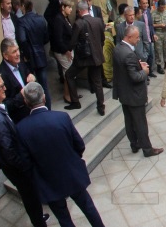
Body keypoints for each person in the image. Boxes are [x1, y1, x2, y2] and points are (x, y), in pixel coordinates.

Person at [16, 83, 105, 227]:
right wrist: (71, 159)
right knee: (88, 206)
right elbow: (79, 145)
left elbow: (26, 163)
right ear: (44, 97)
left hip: (48, 181)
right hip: (71, 173)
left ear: (26, 102)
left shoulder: (21, 129)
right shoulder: (62, 117)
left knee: (64, 218)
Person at [0, 72, 48, 227]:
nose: (5, 88)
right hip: (17, 169)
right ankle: (39, 223)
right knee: (29, 195)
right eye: (1, 86)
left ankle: (38, 217)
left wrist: (23, 92)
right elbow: (9, 152)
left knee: (31, 196)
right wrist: (26, 167)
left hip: (13, 166)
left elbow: (9, 105)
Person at [112, 25, 164, 158]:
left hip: (123, 93)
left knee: (128, 121)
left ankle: (134, 144)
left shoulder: (118, 48)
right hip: (134, 95)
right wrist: (144, 71)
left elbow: (124, 69)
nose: (139, 40)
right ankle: (147, 149)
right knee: (140, 123)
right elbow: (135, 77)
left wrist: (137, 66)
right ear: (128, 37)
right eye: (136, 38)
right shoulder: (129, 53)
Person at [65, 0, 106, 115]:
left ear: (79, 11)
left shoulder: (78, 23)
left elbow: (73, 42)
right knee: (98, 82)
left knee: (69, 75)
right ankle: (101, 106)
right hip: (96, 57)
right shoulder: (98, 21)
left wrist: (69, 50)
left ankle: (75, 101)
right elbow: (102, 39)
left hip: (83, 58)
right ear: (88, 9)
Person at [17, 0, 51, 108]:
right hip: (41, 54)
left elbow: (22, 39)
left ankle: (35, 109)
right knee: (44, 86)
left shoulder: (21, 21)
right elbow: (46, 37)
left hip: (29, 57)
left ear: (23, 6)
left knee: (30, 86)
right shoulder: (40, 19)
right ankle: (48, 109)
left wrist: (26, 54)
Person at [0, 38, 36, 123]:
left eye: (18, 50)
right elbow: (4, 105)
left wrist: (31, 75)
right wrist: (20, 97)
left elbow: (27, 72)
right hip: (19, 119)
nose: (18, 54)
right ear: (5, 56)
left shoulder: (20, 62)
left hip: (32, 113)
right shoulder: (1, 75)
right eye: (14, 52)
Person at [51, 0, 76, 104]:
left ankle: (71, 93)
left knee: (70, 73)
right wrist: (66, 51)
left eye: (71, 7)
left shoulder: (65, 18)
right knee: (68, 73)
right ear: (63, 7)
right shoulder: (58, 19)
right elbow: (58, 38)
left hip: (68, 49)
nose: (71, 9)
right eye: (69, 7)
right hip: (62, 51)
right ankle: (67, 95)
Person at [151, 0, 166, 74]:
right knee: (158, 50)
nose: (163, 9)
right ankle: (159, 66)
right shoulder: (153, 13)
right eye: (161, 7)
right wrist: (159, 25)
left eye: (164, 7)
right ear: (158, 6)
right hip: (158, 33)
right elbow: (151, 25)